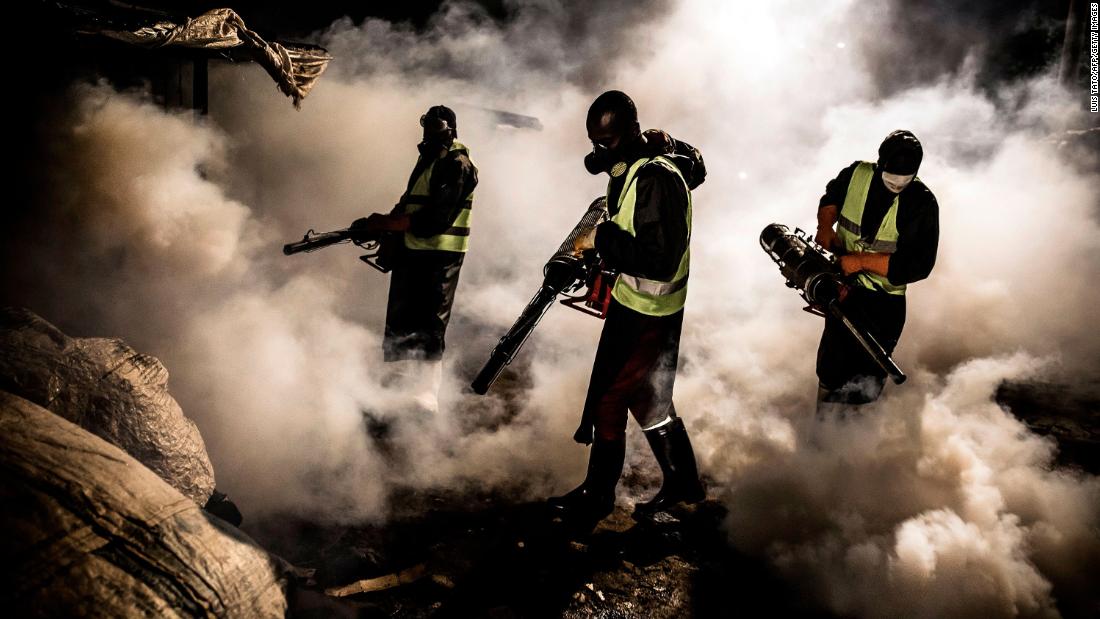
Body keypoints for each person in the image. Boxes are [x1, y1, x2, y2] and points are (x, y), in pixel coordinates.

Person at [548, 90, 705, 525]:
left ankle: (597, 497)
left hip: (648, 312)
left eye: (607, 142)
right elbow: (695, 170)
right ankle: (685, 483)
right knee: (647, 398)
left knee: (609, 397)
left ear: (631, 132)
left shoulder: (655, 176)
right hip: (639, 304)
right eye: (594, 142)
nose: (599, 152)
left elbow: (659, 258)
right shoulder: (638, 165)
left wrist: (600, 240)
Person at [354, 105, 478, 417]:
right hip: (415, 251)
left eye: (436, 130)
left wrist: (384, 223)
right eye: (427, 130)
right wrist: (378, 223)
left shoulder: (458, 164)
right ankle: (400, 386)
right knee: (403, 317)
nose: (429, 137)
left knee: (430, 321)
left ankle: (426, 394)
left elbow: (434, 220)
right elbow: (410, 202)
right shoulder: (430, 160)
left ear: (451, 130)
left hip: (440, 254)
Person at [813, 130, 939, 406]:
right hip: (843, 290)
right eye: (892, 176)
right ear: (880, 164)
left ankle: (855, 439)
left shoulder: (922, 203)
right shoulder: (857, 174)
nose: (898, 184)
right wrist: (824, 226)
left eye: (905, 179)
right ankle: (822, 434)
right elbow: (831, 197)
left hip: (883, 305)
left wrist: (860, 262)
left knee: (865, 379)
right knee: (831, 369)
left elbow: (919, 264)